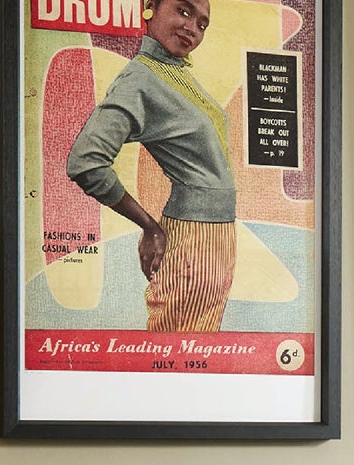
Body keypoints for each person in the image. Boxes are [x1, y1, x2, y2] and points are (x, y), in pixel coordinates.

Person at [66, 0, 236, 333]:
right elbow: (86, 162)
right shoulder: (139, 79)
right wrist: (150, 227)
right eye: (183, 11)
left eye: (202, 24)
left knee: (199, 352)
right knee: (176, 351)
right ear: (150, 7)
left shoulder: (174, 72)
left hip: (219, 237)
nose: (192, 28)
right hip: (191, 239)